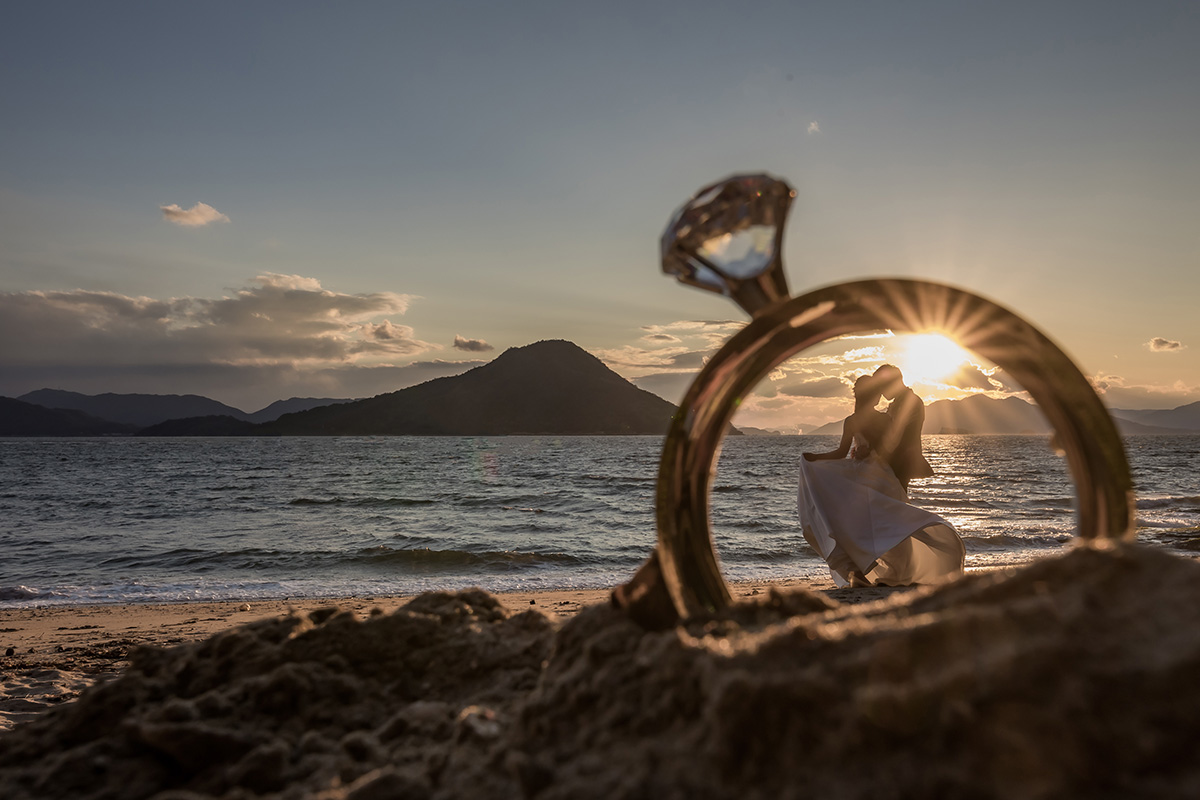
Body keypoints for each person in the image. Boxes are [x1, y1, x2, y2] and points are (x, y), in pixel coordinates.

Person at [798, 375, 964, 587]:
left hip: (860, 476)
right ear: (875, 397)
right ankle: (896, 570)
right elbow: (890, 447)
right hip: (882, 474)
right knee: (890, 521)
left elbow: (840, 453)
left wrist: (814, 458)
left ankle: (857, 569)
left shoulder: (851, 421)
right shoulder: (885, 420)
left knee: (855, 523)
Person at [869, 364, 934, 489]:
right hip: (893, 462)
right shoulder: (897, 403)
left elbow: (897, 434)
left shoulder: (911, 401)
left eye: (881, 386)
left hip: (900, 463)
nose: (881, 392)